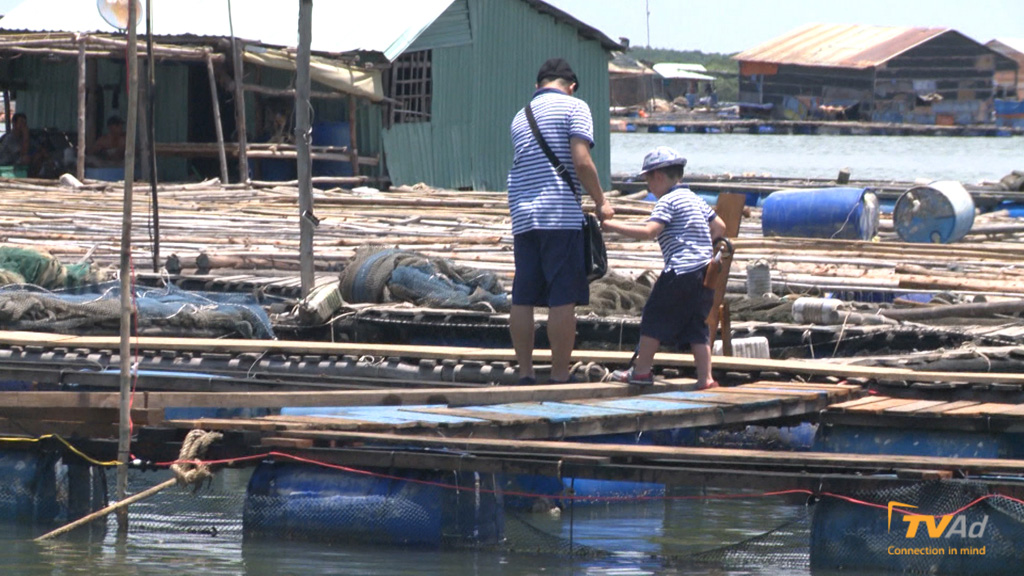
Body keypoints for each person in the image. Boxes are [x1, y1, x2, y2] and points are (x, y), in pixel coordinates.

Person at [506, 57, 614, 385]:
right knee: (562, 297)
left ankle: (525, 373)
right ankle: (558, 375)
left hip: (523, 214)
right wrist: (601, 201)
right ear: (572, 86)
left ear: (538, 85)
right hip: (559, 215)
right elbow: (581, 162)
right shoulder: (575, 107)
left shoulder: (520, 117)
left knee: (523, 296)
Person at [600, 146, 726, 389]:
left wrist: (612, 226)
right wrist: (702, 245)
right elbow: (719, 226)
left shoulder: (667, 201)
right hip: (704, 270)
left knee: (654, 317)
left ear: (658, 176)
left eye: (648, 181)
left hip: (680, 270)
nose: (649, 187)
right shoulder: (695, 199)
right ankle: (705, 378)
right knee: (696, 325)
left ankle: (642, 371)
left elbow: (649, 232)